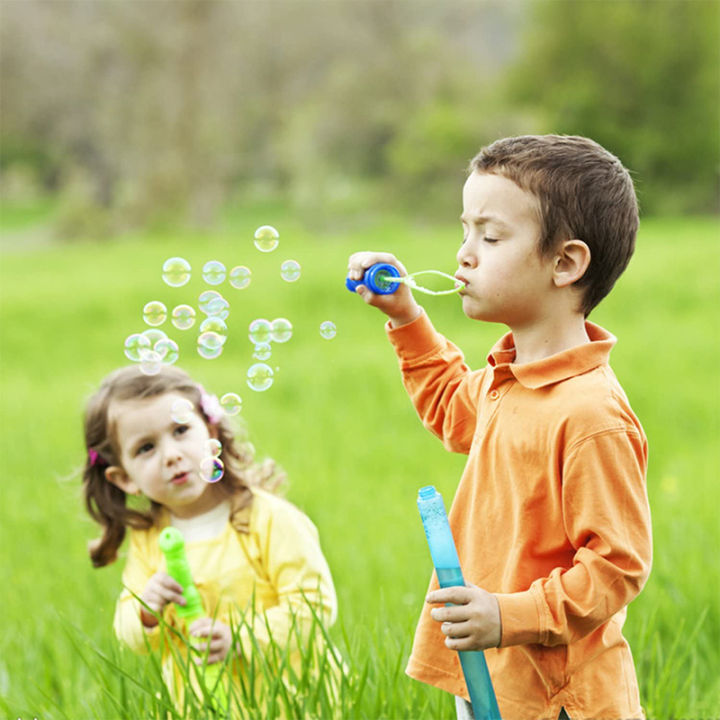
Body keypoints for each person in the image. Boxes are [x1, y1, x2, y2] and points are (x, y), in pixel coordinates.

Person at [347, 135, 652, 720]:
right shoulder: (507, 377)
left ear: (565, 263)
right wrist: (408, 317)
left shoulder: (589, 415)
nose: (465, 253)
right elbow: (450, 407)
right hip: (491, 671)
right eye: (465, 232)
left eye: (489, 237)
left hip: (558, 697)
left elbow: (616, 567)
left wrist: (507, 617)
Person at [82, 364, 339, 712]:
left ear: (211, 430)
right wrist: (146, 612)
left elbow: (315, 606)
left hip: (292, 703)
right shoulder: (149, 540)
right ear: (123, 478)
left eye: (181, 430)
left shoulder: (267, 518)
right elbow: (130, 635)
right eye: (146, 448)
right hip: (202, 707)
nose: (171, 454)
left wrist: (240, 638)